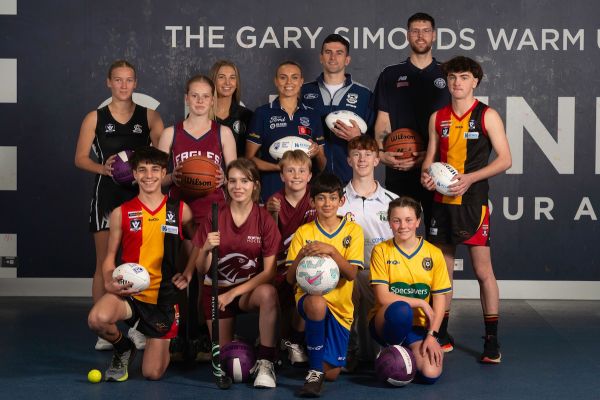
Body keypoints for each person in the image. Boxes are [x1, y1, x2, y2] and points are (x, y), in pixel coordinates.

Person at [420, 56, 512, 363]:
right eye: (452, 77)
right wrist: (426, 176)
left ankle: (492, 340)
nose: (457, 82)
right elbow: (430, 159)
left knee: (483, 271)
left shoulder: (487, 115)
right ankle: (442, 333)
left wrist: (471, 178)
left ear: (475, 81)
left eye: (463, 77)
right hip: (441, 204)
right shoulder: (437, 117)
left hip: (473, 203)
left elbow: (505, 159)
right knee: (443, 272)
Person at [75, 59, 164, 351]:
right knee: (105, 263)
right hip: (107, 196)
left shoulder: (149, 116)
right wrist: (105, 168)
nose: (123, 85)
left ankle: (139, 327)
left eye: (129, 80)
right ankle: (106, 331)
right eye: (118, 79)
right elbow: (80, 158)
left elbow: (163, 155)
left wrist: (145, 169)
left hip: (140, 197)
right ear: (109, 83)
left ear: (135, 83)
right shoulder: (95, 118)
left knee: (140, 263)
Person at [87, 146, 194, 382]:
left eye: (155, 169)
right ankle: (123, 347)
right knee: (97, 319)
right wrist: (109, 282)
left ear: (164, 173)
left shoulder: (180, 210)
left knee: (152, 374)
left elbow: (197, 243)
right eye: (142, 170)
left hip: (163, 300)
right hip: (131, 293)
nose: (149, 175)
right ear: (134, 174)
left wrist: (188, 272)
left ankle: (163, 338)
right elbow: (109, 257)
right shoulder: (121, 212)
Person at [157, 74, 236, 361]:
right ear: (186, 98)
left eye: (205, 96)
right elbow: (155, 178)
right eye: (195, 95)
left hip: (212, 211)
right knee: (178, 270)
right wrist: (173, 176)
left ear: (213, 100)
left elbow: (235, 176)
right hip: (178, 210)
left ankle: (202, 332)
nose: (200, 101)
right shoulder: (171, 133)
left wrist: (224, 178)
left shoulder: (223, 133)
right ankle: (179, 331)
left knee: (205, 270)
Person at [189, 158, 281, 388]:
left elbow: (269, 272)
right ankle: (240, 341)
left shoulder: (264, 219)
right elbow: (201, 269)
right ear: (226, 184)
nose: (238, 186)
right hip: (216, 292)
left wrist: (233, 294)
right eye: (232, 181)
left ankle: (266, 361)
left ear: (255, 185)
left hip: (246, 293)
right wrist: (206, 249)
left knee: (269, 293)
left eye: (244, 181)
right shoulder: (215, 215)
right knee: (226, 361)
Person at [286, 172, 364, 397]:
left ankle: (310, 348)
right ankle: (314, 372)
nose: (327, 203)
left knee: (332, 374)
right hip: (309, 300)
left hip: (340, 307)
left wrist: (332, 251)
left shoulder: (353, 231)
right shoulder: (304, 232)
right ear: (312, 202)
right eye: (321, 198)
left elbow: (351, 274)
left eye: (332, 198)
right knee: (316, 302)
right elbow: (290, 279)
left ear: (342, 201)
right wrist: (301, 255)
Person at [372, 12, 450, 234]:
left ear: (434, 35)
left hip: (437, 169)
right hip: (400, 166)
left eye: (426, 31)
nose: (420, 36)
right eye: (415, 31)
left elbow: (455, 123)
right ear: (407, 35)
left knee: (439, 236)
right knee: (402, 232)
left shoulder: (448, 74)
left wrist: (428, 157)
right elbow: (383, 120)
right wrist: (382, 153)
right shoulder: (390, 74)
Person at [369, 196, 451, 384]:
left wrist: (432, 335)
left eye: (408, 220)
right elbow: (382, 297)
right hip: (386, 322)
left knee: (430, 374)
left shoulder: (433, 253)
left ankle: (408, 352)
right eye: (396, 220)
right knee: (401, 310)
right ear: (389, 222)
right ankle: (390, 349)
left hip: (417, 327)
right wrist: (421, 302)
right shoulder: (381, 250)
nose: (403, 226)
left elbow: (440, 300)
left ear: (418, 221)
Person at [336, 135, 397, 373]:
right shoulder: (336, 200)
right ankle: (347, 347)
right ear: (349, 160)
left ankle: (382, 345)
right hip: (346, 273)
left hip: (379, 275)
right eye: (356, 154)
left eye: (368, 154)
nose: (362, 159)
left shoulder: (392, 201)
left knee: (375, 356)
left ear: (377, 160)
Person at [246, 60, 326, 201]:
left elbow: (322, 165)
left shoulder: (312, 115)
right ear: (276, 81)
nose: (289, 82)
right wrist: (278, 167)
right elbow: (249, 159)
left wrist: (317, 153)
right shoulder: (262, 113)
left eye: (294, 77)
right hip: (272, 191)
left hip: (304, 196)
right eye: (283, 77)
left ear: (301, 81)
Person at [301, 34, 374, 184]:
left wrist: (358, 137)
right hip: (309, 179)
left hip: (351, 179)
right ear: (321, 57)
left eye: (339, 53)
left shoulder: (364, 94)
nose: (333, 57)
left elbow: (375, 141)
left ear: (347, 59)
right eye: (328, 52)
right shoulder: (303, 91)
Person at [265, 150, 316, 365]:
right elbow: (269, 238)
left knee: (306, 285)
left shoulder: (315, 199)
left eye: (301, 171)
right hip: (281, 262)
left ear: (309, 176)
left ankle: (295, 340)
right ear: (282, 175)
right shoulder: (274, 201)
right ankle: (281, 340)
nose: (296, 175)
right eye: (290, 171)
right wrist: (272, 214)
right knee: (280, 296)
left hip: (308, 260)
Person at [209, 60, 254, 157]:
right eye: (221, 77)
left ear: (237, 83)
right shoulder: (201, 115)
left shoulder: (247, 116)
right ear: (213, 81)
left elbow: (251, 157)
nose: (227, 82)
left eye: (232, 77)